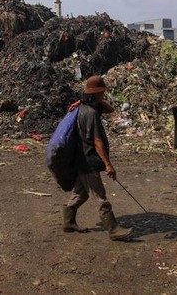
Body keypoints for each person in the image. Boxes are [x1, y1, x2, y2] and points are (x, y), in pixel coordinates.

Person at [62, 76, 133, 241]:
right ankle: (114, 229)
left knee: (81, 193)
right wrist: (108, 164)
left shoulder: (83, 108)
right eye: (102, 92)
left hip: (80, 159)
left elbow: (110, 110)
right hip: (88, 161)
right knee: (99, 196)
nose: (104, 95)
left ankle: (68, 222)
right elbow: (97, 141)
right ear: (96, 93)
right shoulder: (91, 113)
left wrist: (95, 99)